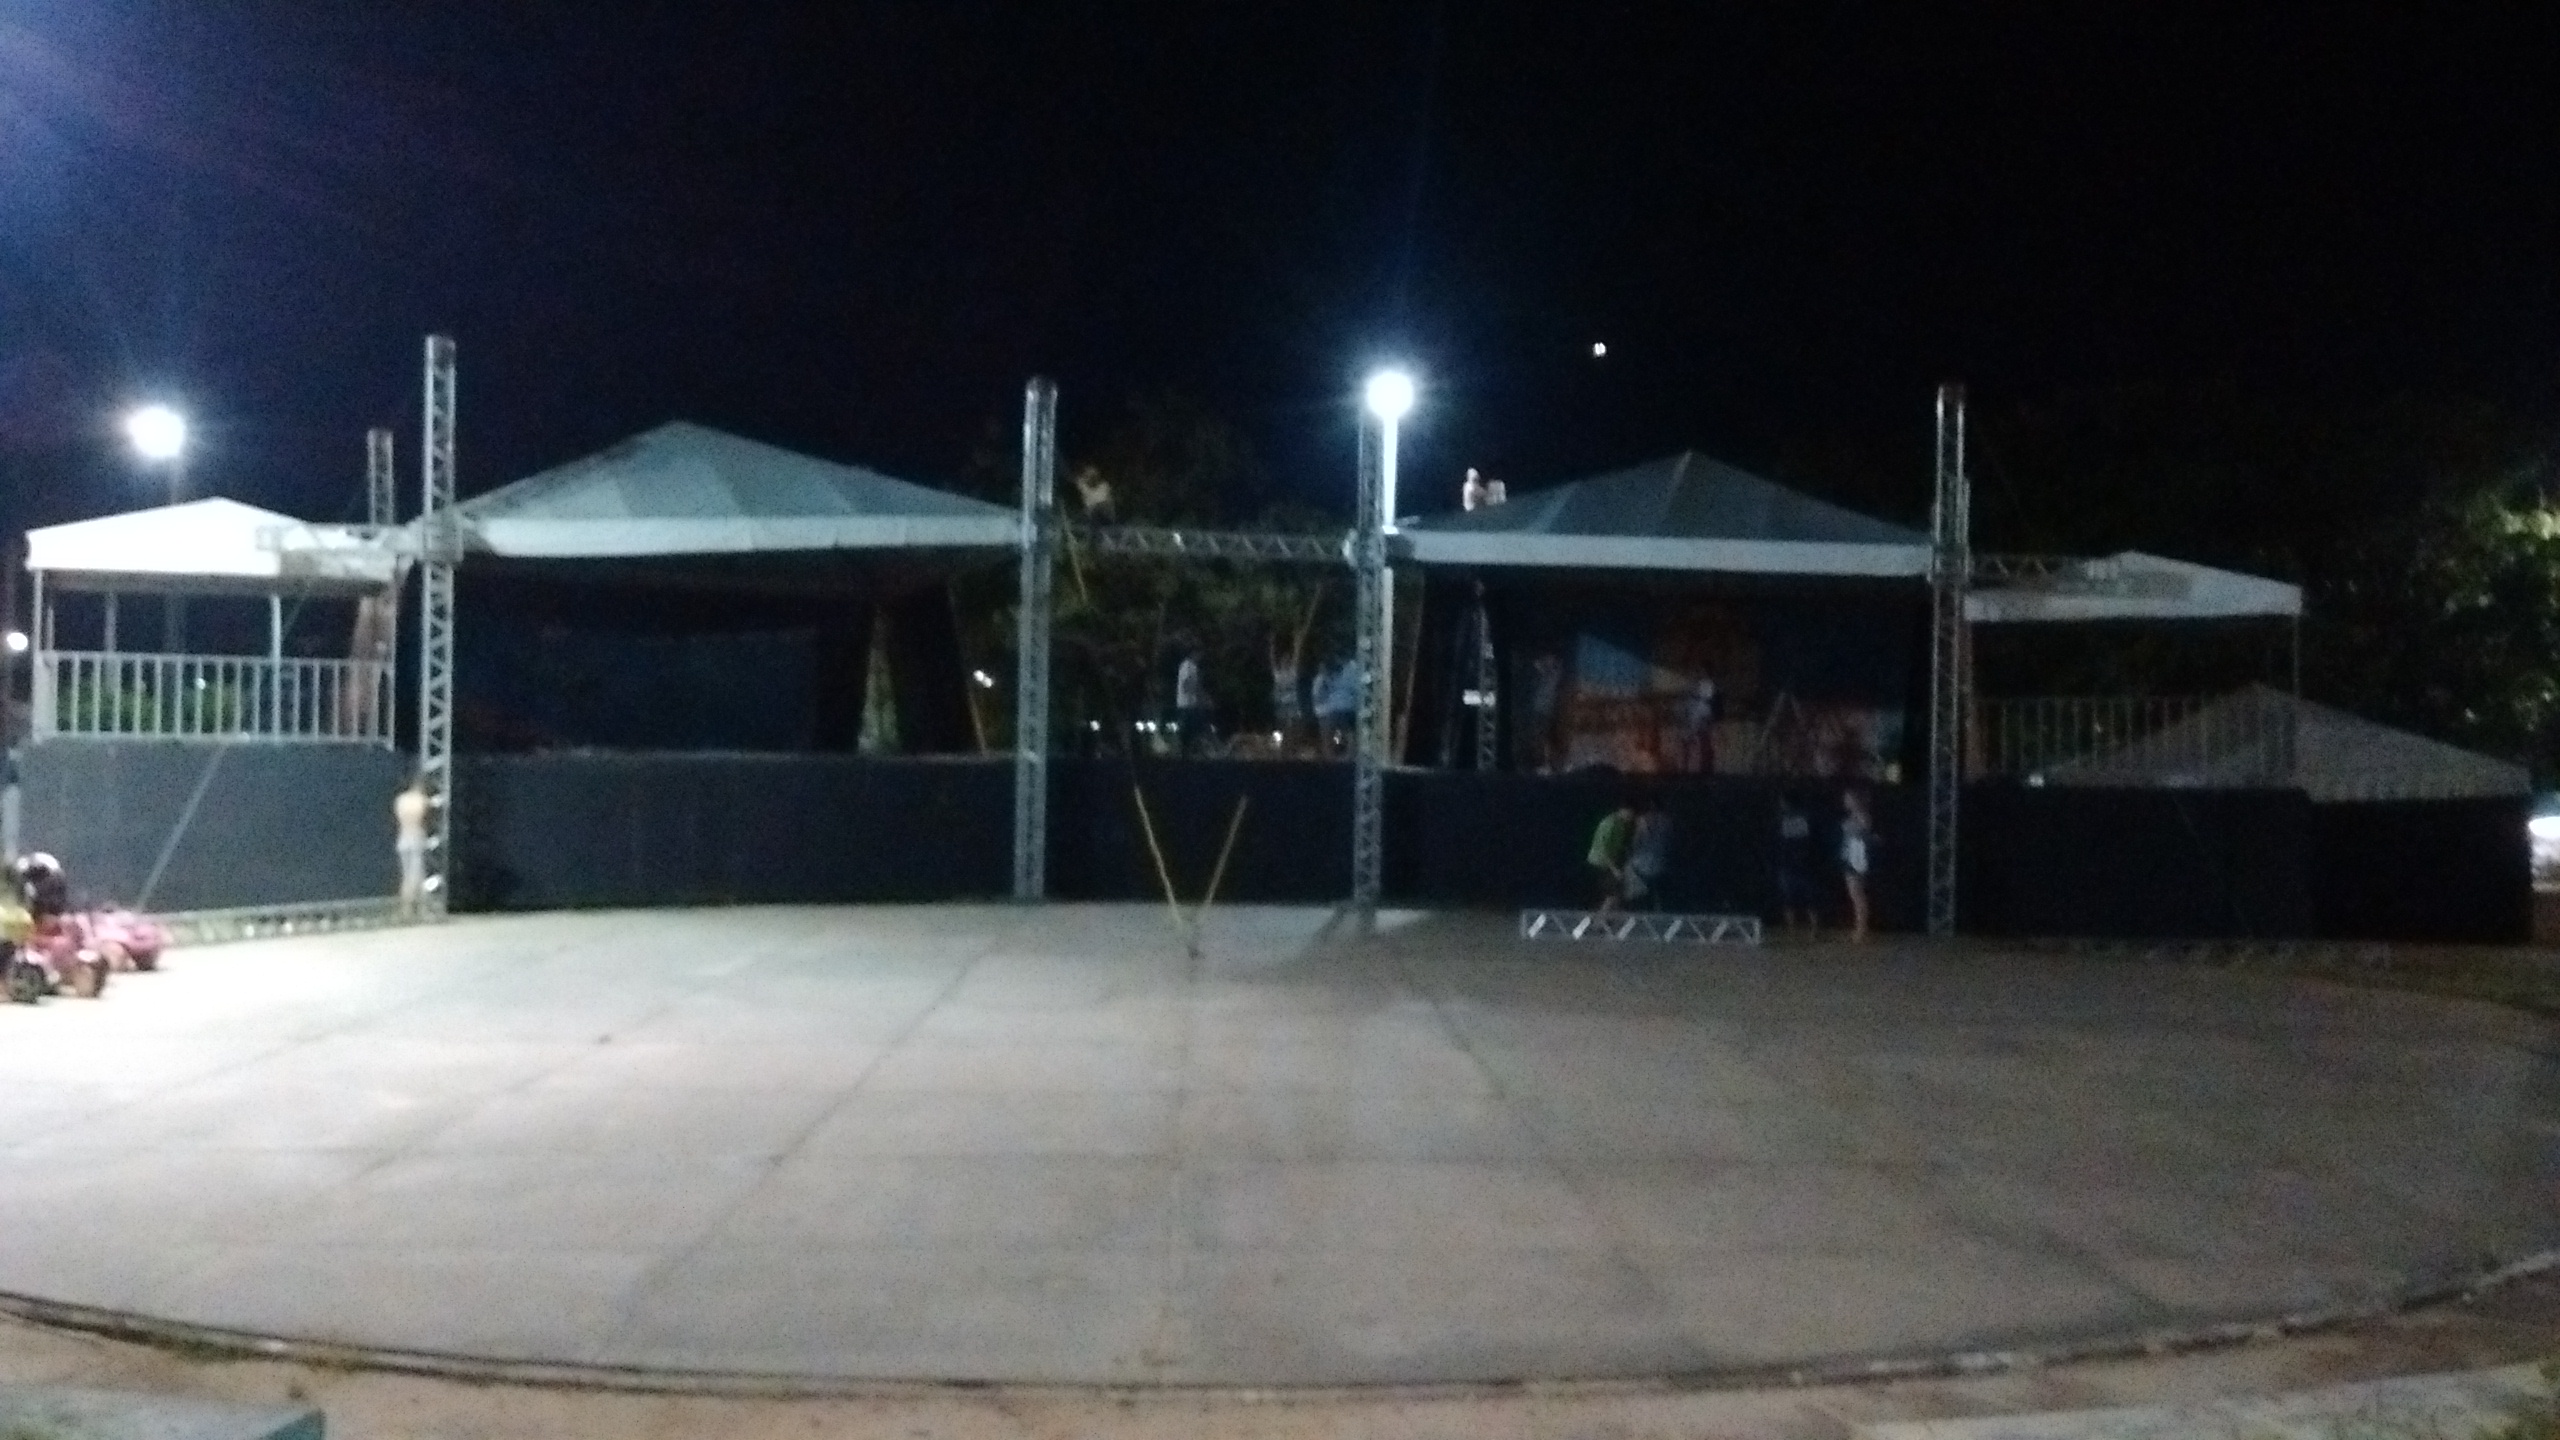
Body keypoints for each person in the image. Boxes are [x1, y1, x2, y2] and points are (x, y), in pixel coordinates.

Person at [1775, 795, 1817, 937]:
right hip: (1803, 863)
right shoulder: (1807, 818)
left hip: (1792, 864)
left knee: (1790, 899)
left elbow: (1780, 842)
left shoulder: (1783, 819)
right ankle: (1812, 929)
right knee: (1808, 899)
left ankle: (1792, 930)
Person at [1839, 788, 1876, 942]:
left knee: (1857, 894)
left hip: (1857, 856)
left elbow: (1866, 833)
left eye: (1848, 798)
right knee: (1855, 894)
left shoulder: (1862, 816)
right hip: (1850, 854)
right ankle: (1859, 927)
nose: (1845, 801)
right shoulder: (1852, 816)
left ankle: (1861, 929)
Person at [1587, 802, 1637, 915]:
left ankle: (1610, 919)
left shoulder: (1622, 825)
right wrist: (1614, 869)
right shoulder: (1610, 823)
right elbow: (1604, 850)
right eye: (1630, 814)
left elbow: (1619, 845)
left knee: (1617, 895)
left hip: (1611, 863)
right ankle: (1600, 920)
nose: (1631, 818)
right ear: (1623, 810)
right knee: (1612, 895)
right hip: (1600, 863)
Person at [1625, 802, 1673, 911]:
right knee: (1657, 892)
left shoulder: (1643, 821)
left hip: (1641, 864)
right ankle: (1658, 909)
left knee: (1631, 878)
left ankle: (1635, 908)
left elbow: (1636, 841)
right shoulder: (1668, 821)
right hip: (1661, 863)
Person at [395, 777, 431, 917]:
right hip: (416, 838)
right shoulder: (421, 800)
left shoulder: (401, 800)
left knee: (407, 875)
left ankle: (408, 909)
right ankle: (415, 909)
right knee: (415, 876)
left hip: (403, 838)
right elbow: (425, 819)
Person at [1268, 636, 1304, 752]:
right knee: (1283, 727)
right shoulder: (1277, 674)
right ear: (1281, 662)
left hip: (1292, 703)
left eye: (1288, 660)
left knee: (1293, 727)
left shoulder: (1292, 672)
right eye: (1284, 660)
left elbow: (1296, 657)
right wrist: (1271, 646)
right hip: (1281, 704)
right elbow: (1272, 660)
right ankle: (1283, 749)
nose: (1286, 662)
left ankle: (1292, 748)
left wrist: (1297, 643)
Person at [1174, 651, 1213, 756]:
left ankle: (1190, 753)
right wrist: (1200, 695)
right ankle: (1185, 754)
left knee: (1192, 731)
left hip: (1191, 705)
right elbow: (1187, 684)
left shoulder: (1192, 666)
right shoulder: (1188, 666)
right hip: (1187, 705)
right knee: (1188, 731)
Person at [1679, 676, 1719, 773]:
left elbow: (1707, 718)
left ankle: (1704, 767)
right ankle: (1687, 767)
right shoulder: (1692, 702)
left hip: (1699, 724)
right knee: (1689, 745)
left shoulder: (1704, 706)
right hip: (1693, 724)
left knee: (1703, 744)